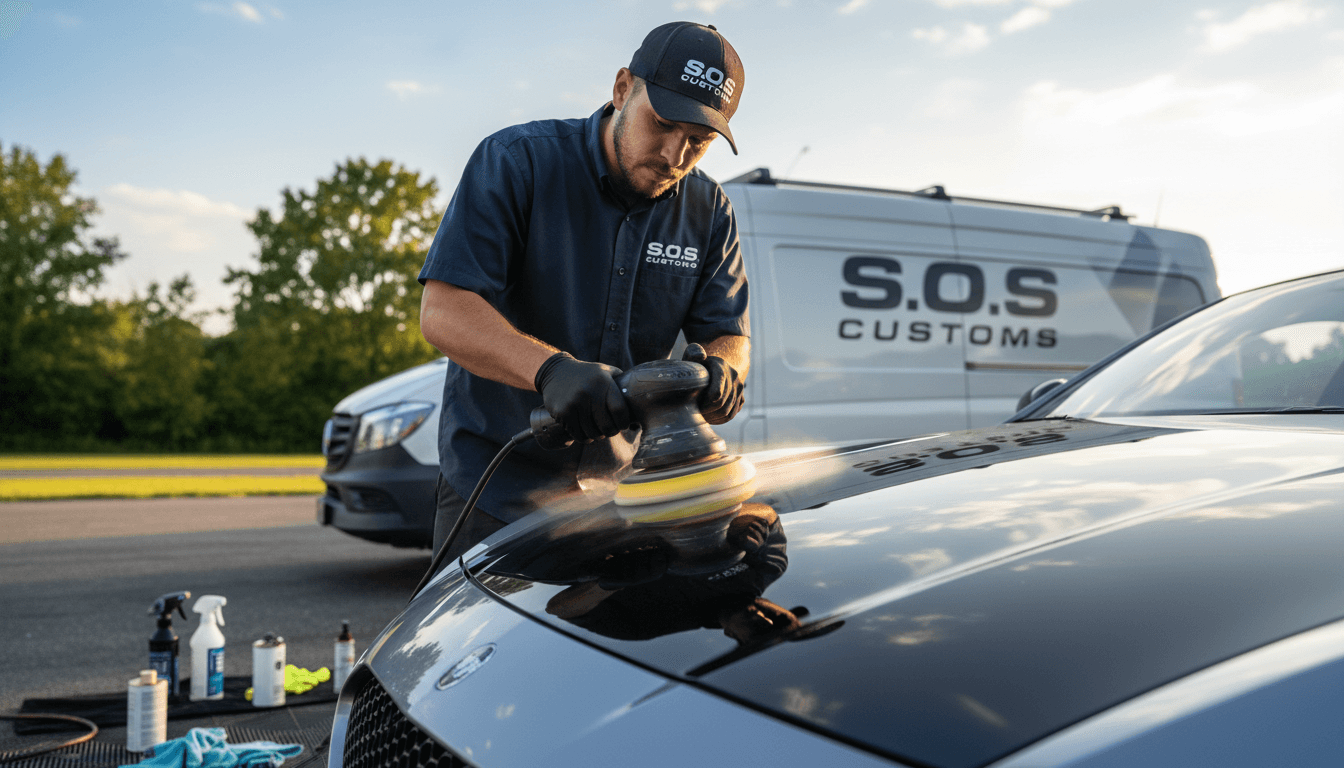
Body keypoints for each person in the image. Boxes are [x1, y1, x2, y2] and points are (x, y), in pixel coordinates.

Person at [417, 21, 752, 565]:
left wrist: (723, 371)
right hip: (494, 491)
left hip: (626, 498)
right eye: (663, 124)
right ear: (623, 89)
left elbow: (728, 334)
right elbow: (444, 310)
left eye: (699, 140)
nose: (674, 155)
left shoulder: (708, 210)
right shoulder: (517, 161)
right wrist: (549, 370)